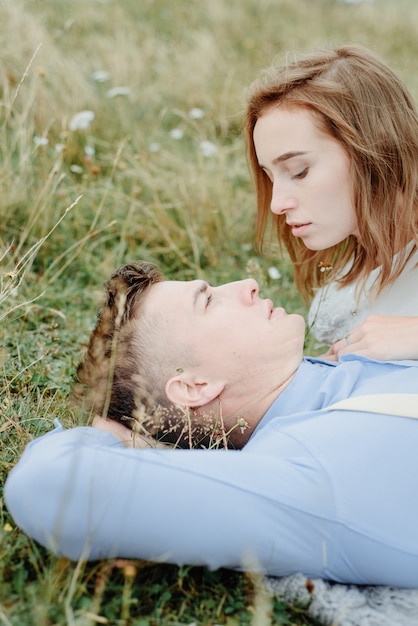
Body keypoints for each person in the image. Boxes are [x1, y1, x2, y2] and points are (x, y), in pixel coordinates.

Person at [5, 260, 418, 587]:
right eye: (208, 302)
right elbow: (52, 487)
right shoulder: (303, 474)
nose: (248, 284)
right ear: (194, 386)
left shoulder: (373, 350)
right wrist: (110, 430)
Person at [244, 43, 418, 361]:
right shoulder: (356, 257)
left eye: (299, 172)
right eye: (270, 177)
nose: (276, 204)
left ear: (373, 149)